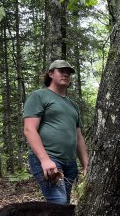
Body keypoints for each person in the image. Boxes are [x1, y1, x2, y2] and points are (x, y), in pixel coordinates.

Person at [23, 59, 89, 205]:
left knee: (63, 206)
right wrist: (45, 160)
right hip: (50, 159)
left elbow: (78, 137)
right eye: (61, 71)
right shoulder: (39, 96)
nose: (65, 74)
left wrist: (86, 165)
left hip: (70, 164)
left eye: (68, 72)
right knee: (58, 205)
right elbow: (29, 129)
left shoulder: (73, 105)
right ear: (51, 73)